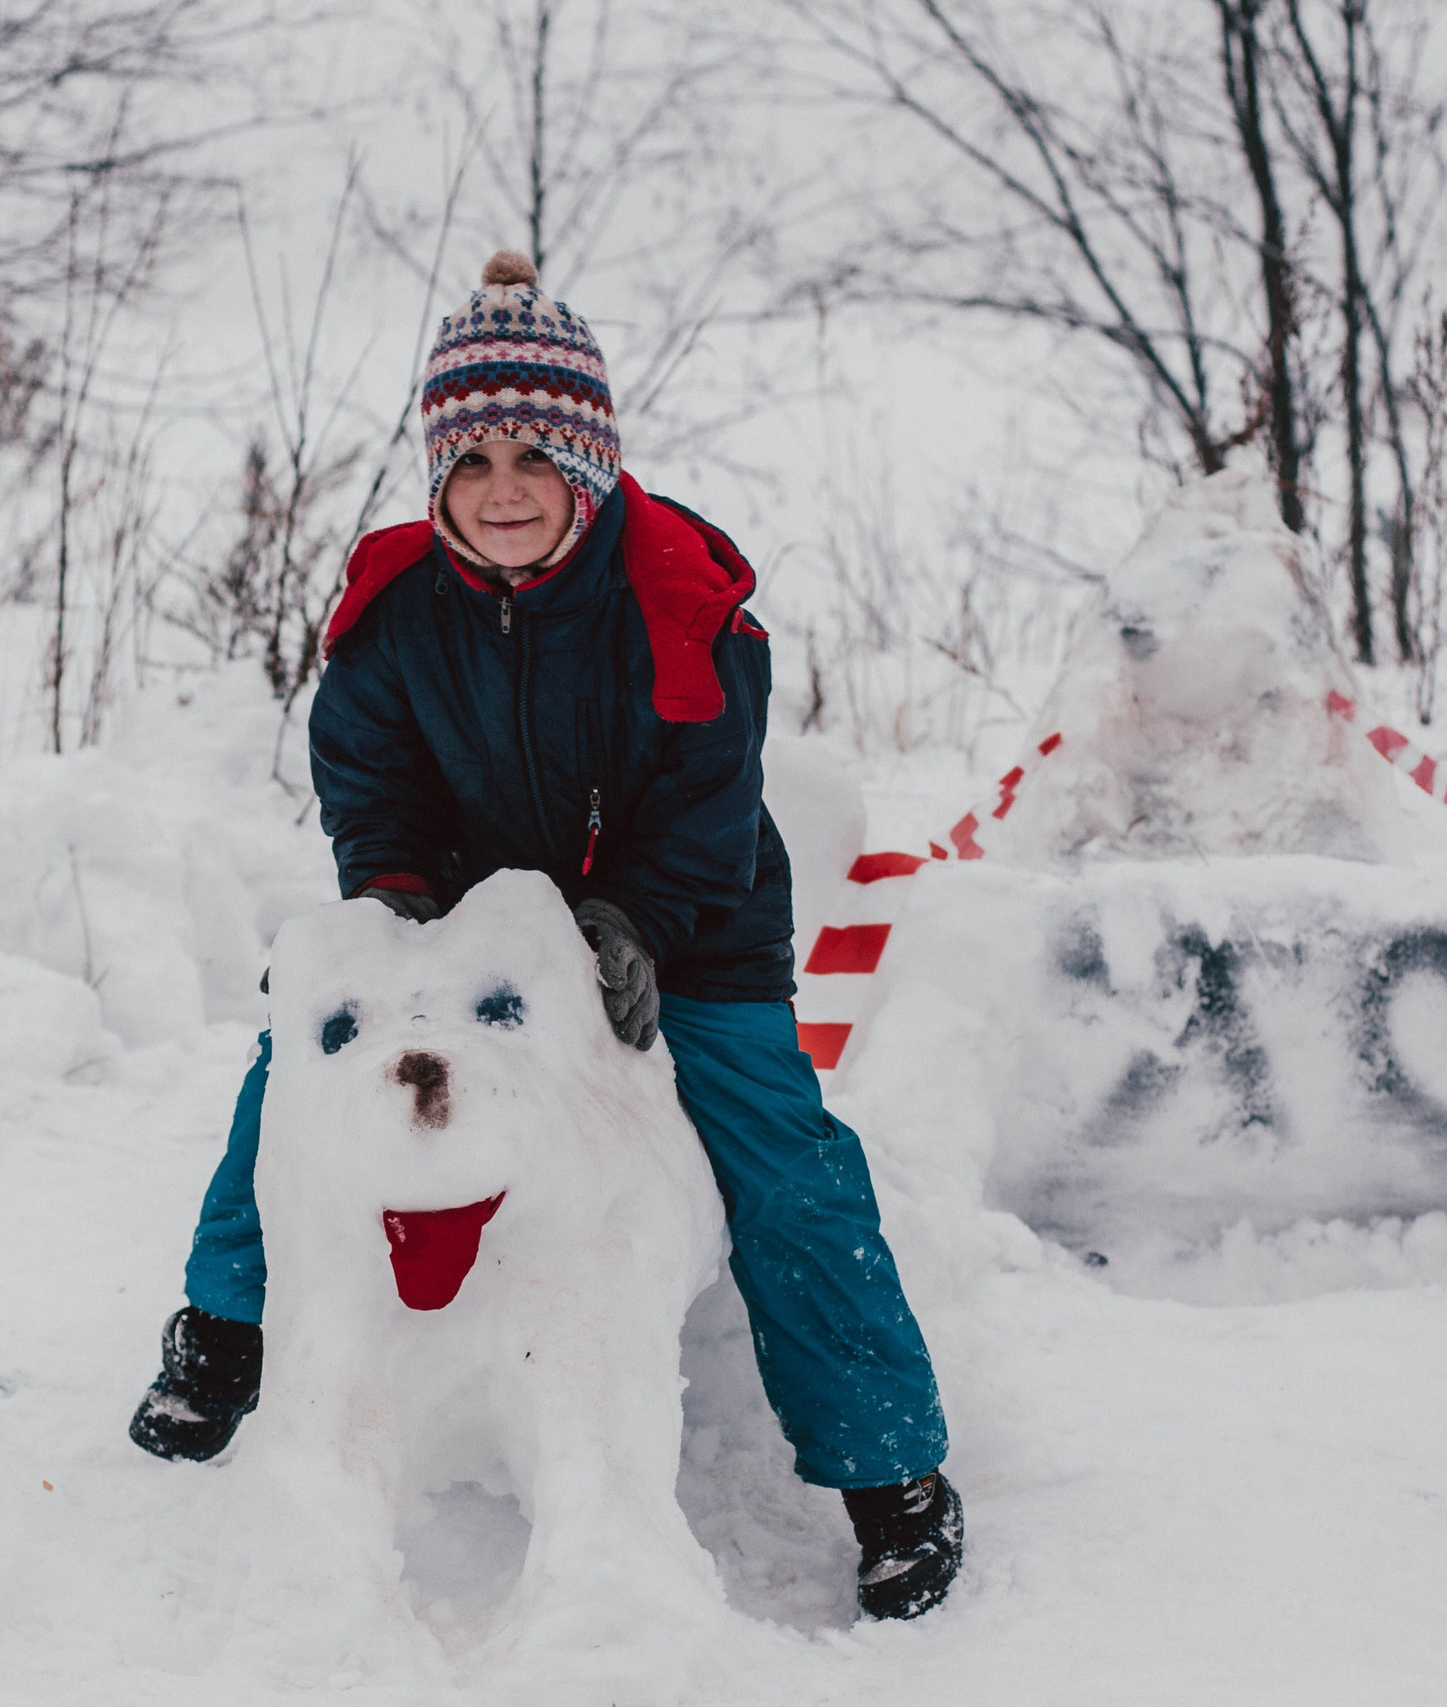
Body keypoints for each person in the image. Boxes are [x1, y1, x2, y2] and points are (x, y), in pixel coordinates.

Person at [129, 251, 964, 1620]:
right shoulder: (395, 614)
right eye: (473, 461)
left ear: (590, 460)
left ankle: (893, 1468)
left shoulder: (683, 598)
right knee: (296, 1080)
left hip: (687, 926)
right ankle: (223, 1328)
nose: (503, 488)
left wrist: (631, 922)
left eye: (535, 455)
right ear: (439, 476)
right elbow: (372, 778)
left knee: (782, 1162)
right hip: (471, 918)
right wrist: (391, 900)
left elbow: (707, 801)